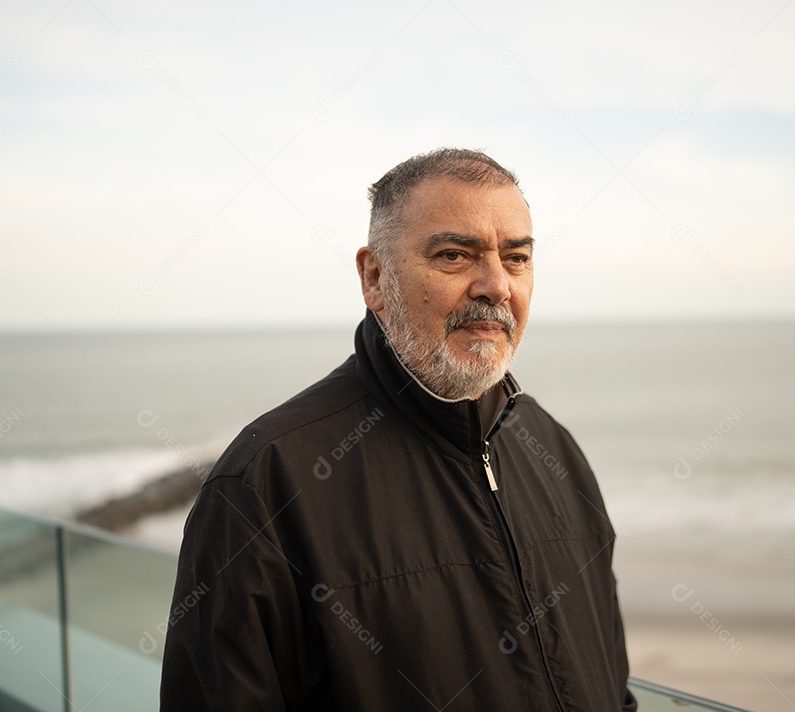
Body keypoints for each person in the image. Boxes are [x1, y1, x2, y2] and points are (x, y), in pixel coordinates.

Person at [160, 148, 638, 711]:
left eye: (516, 259)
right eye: (456, 255)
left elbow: (613, 688)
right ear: (375, 277)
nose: (496, 286)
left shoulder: (555, 451)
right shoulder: (266, 482)